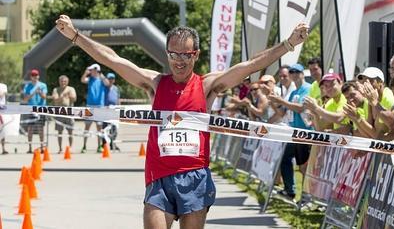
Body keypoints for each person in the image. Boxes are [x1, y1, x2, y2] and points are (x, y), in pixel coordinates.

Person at [55, 14, 309, 229]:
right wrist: (75, 36)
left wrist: (288, 44)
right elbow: (112, 59)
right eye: (173, 54)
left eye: (185, 54)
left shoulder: (207, 85)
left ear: (195, 54)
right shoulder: (155, 83)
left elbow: (250, 65)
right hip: (159, 177)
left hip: (195, 176)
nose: (178, 60)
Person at [268, 63, 312, 200]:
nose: (294, 75)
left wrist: (280, 100)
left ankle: (307, 197)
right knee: (285, 159)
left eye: (297, 72)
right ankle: (290, 191)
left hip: (306, 133)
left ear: (302, 74)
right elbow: (282, 112)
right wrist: (273, 102)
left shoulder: (307, 88)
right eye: (292, 72)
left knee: (304, 167)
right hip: (294, 133)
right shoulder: (293, 92)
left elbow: (301, 108)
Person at [80, 63, 110, 153]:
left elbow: (107, 83)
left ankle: (99, 146)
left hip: (99, 106)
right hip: (89, 106)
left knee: (99, 127)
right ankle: (84, 146)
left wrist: (100, 73)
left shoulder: (101, 79)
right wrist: (86, 73)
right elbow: (82, 80)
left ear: (96, 70)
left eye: (91, 70)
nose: (90, 72)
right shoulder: (90, 79)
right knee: (87, 126)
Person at [21, 69, 48, 154]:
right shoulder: (27, 86)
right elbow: (25, 99)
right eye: (33, 75)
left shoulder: (43, 85)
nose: (35, 77)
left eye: (36, 75)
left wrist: (39, 93)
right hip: (31, 109)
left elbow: (44, 97)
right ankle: (30, 147)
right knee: (30, 129)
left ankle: (42, 147)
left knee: (41, 129)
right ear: (31, 77)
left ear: (38, 76)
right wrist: (33, 93)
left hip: (41, 109)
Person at [52, 75, 77, 154]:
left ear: (67, 82)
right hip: (59, 113)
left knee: (70, 131)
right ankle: (60, 149)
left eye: (65, 81)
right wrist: (62, 96)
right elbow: (55, 100)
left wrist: (69, 96)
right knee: (59, 132)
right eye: (62, 81)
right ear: (59, 82)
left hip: (69, 113)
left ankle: (70, 148)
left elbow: (74, 98)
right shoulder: (56, 89)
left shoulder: (71, 89)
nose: (63, 83)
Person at [0, 81, 8, 154]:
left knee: (2, 130)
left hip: (1, 111)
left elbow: (2, 95)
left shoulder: (3, 86)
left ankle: (3, 148)